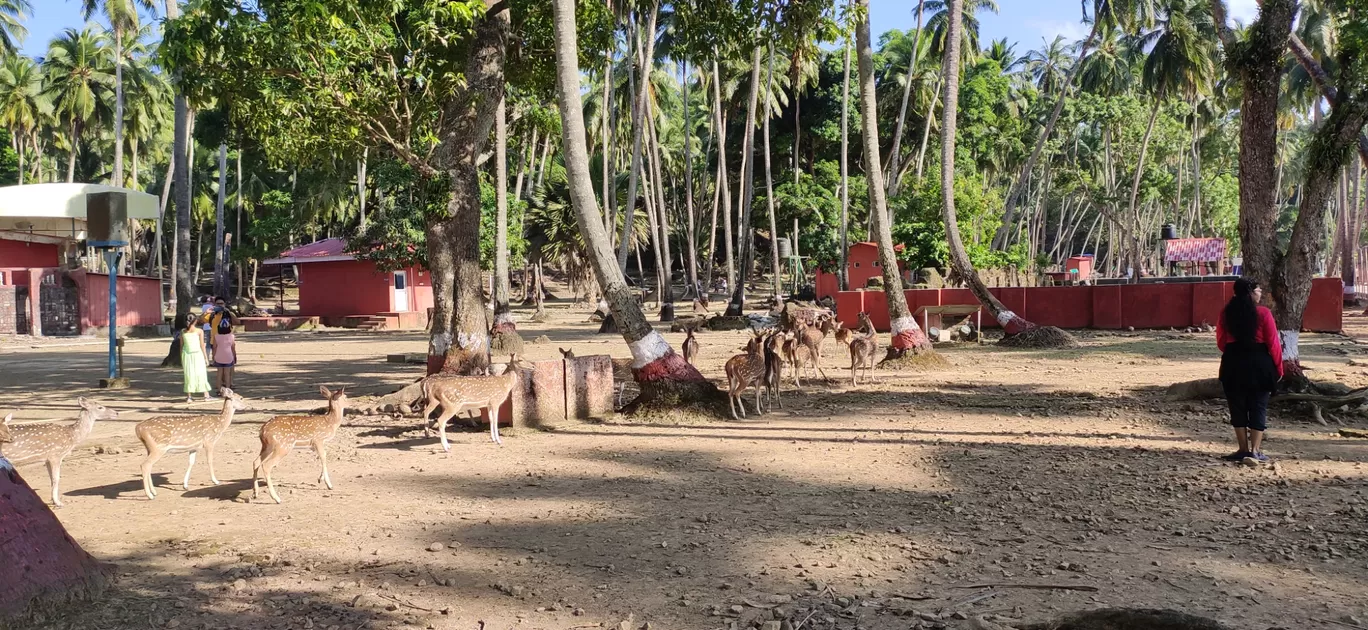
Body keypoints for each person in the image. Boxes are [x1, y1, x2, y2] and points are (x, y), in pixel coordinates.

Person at [1216, 278, 1283, 463]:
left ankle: (1242, 449)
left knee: (1237, 406)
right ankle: (1255, 451)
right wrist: (1279, 367)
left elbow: (1221, 342)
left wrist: (1234, 351)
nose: (1260, 294)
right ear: (1251, 293)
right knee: (1258, 405)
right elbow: (1273, 343)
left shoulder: (1226, 313)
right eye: (1259, 290)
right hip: (1259, 363)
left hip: (1232, 363)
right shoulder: (1263, 313)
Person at [180, 313, 215, 403]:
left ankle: (189, 396)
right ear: (195, 321)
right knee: (201, 374)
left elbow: (181, 346)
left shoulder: (183, 331)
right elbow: (202, 345)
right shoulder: (199, 331)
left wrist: (181, 357)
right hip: (197, 354)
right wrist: (206, 358)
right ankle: (206, 395)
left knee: (189, 375)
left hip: (186, 355)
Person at [210, 301, 237, 392]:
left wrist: (213, 356)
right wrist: (234, 356)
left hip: (219, 357)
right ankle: (228, 389)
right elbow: (233, 348)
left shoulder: (216, 337)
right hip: (229, 357)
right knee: (227, 374)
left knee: (219, 373)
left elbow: (214, 348)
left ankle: (219, 390)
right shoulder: (231, 336)